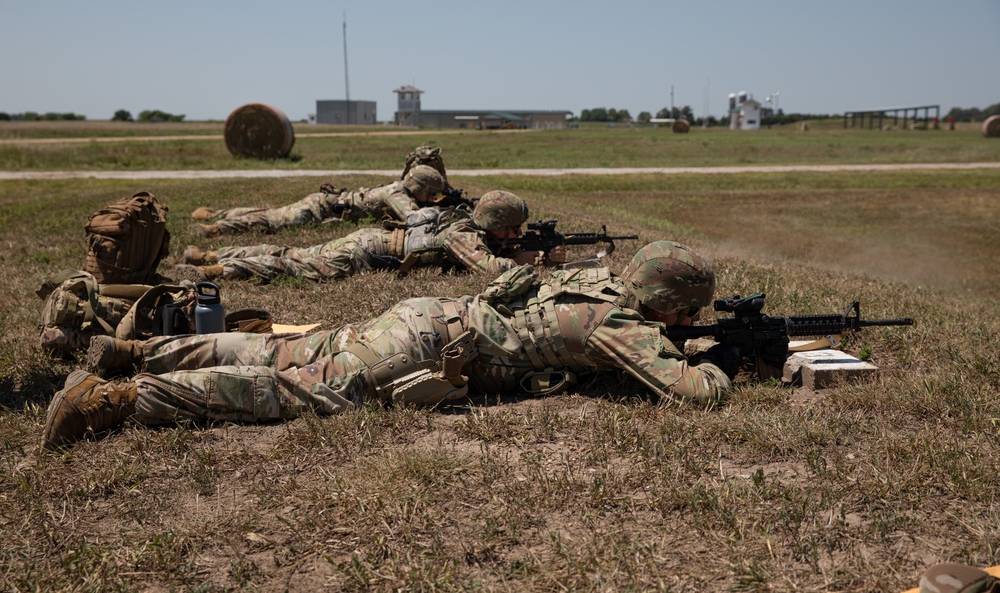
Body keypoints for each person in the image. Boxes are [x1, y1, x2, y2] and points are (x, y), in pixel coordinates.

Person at [41, 241, 737, 450]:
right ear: (673, 305)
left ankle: (132, 353)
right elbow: (693, 395)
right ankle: (117, 399)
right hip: (428, 350)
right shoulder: (620, 327)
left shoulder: (595, 282)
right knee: (289, 388)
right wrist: (718, 362)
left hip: (428, 314)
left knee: (286, 353)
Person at [172, 190, 565, 283]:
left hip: (369, 239)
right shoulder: (460, 232)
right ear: (494, 220)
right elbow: (489, 269)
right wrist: (529, 263)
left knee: (292, 251)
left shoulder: (467, 223)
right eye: (512, 227)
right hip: (365, 252)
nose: (516, 234)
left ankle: (207, 252)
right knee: (295, 265)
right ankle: (219, 270)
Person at [190, 164, 446, 236]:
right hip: (320, 210)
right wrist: (443, 214)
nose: (432, 198)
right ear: (419, 187)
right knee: (269, 220)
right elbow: (414, 219)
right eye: (431, 193)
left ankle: (217, 213)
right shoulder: (398, 194)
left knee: (273, 211)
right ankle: (214, 227)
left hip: (324, 203)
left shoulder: (398, 189)